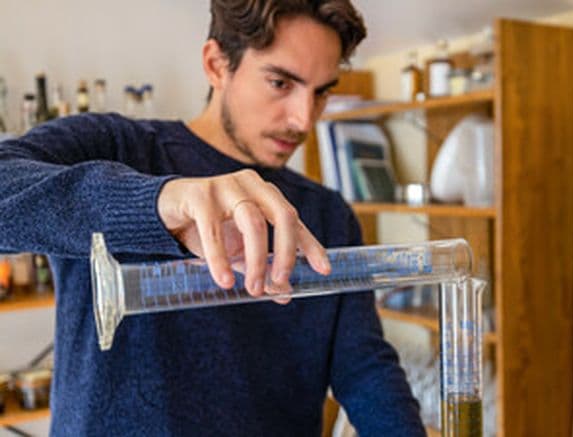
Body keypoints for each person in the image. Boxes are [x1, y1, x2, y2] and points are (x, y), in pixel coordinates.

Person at [0, 1, 425, 435]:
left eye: (321, 92)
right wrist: (160, 203)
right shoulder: (115, 146)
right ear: (216, 64)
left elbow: (365, 370)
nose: (303, 119)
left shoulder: (327, 216)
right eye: (280, 83)